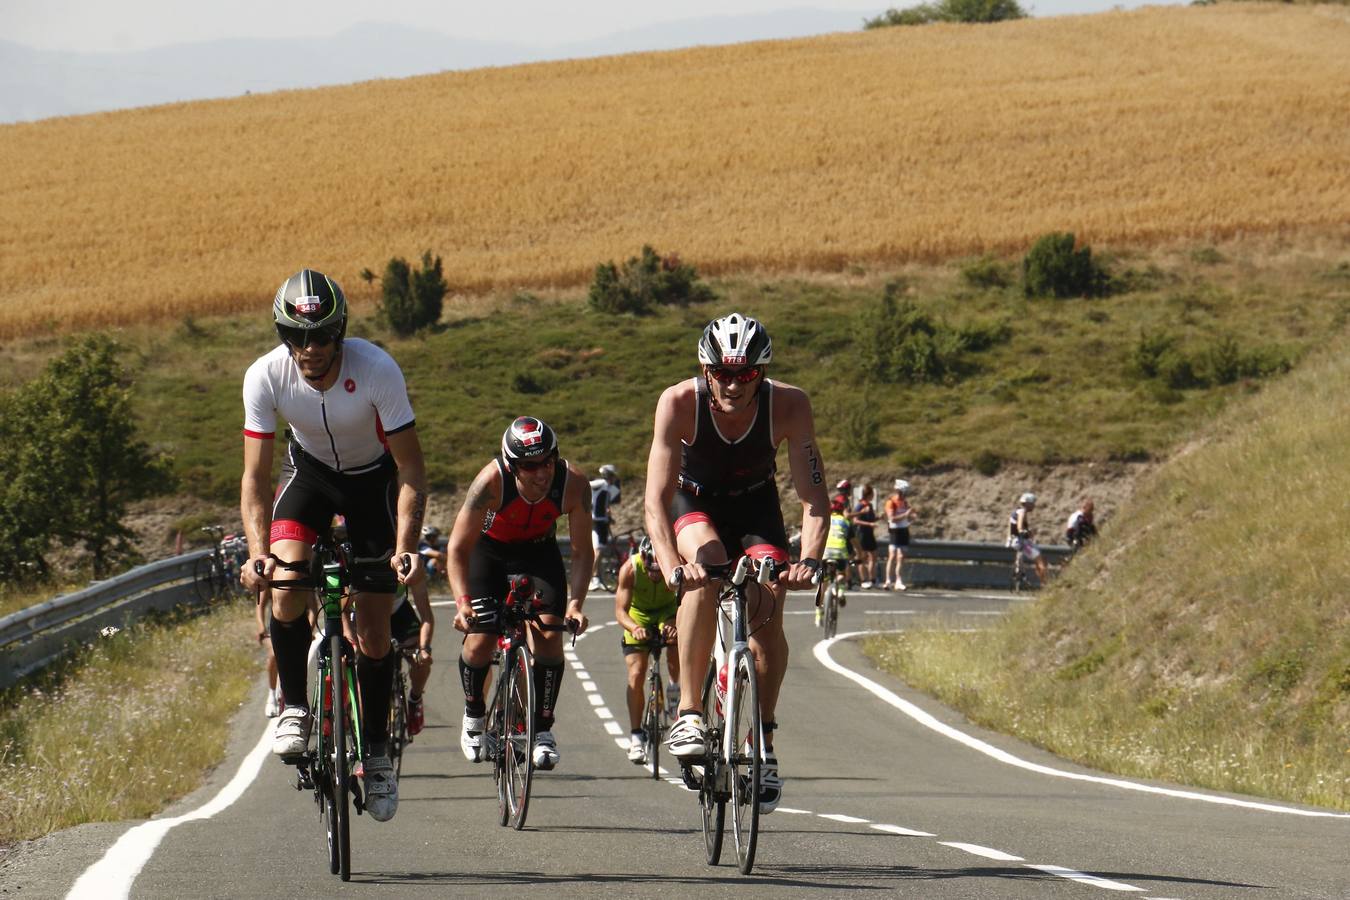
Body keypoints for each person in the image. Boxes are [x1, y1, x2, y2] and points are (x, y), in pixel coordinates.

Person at [239, 268, 428, 824]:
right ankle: (294, 707)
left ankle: (375, 753)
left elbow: (411, 466)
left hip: (374, 483)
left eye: (321, 336)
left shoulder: (376, 370)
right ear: (282, 338)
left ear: (340, 331)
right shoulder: (265, 376)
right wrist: (258, 552)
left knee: (373, 631)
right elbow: (255, 478)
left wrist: (405, 545)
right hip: (310, 477)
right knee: (287, 583)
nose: (309, 349)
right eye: (295, 337)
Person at [644, 311, 828, 814]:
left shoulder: (789, 405)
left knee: (770, 597)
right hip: (694, 504)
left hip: (754, 506)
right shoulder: (679, 402)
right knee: (707, 566)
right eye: (721, 373)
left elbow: (813, 497)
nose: (731, 384)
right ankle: (688, 712)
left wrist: (809, 560)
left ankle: (764, 740)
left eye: (744, 374)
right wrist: (670, 566)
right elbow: (656, 500)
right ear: (706, 372)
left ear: (760, 374)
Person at [448, 416, 592, 771]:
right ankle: (474, 716)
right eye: (529, 466)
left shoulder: (572, 483)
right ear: (512, 466)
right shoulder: (490, 482)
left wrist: (575, 603)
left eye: (548, 461)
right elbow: (457, 549)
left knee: (549, 638)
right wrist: (462, 603)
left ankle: (541, 729)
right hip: (489, 553)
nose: (541, 473)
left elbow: (582, 551)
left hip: (539, 554)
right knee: (480, 640)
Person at [615, 536, 680, 764]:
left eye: (658, 571)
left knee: (675, 640)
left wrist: (674, 622)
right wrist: (634, 627)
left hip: (667, 611)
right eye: (651, 570)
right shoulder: (630, 569)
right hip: (638, 616)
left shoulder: (676, 565)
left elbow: (686, 601)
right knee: (636, 674)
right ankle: (636, 737)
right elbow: (621, 611)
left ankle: (674, 688)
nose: (654, 575)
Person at [391, 580, 435, 735]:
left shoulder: (410, 563)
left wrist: (424, 649)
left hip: (398, 612)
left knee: (421, 660)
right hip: (366, 611)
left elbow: (426, 616)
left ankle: (415, 699)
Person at [818, 495, 854, 626]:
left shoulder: (825, 519)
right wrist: (860, 555)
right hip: (840, 552)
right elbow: (854, 541)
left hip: (825, 552)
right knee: (841, 574)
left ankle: (818, 612)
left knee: (823, 582)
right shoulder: (845, 522)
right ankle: (840, 591)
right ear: (842, 510)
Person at [589, 464, 622, 590]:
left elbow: (605, 506)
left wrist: (609, 517)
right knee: (597, 551)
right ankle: (592, 579)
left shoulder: (608, 487)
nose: (614, 478)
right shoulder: (601, 483)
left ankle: (597, 577)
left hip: (602, 521)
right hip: (596, 521)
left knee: (600, 551)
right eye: (613, 476)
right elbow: (586, 485)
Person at [1008, 491, 1049, 584]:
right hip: (1021, 542)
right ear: (1027, 503)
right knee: (1040, 561)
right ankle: (1045, 584)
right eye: (1033, 503)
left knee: (1042, 559)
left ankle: (1021, 573)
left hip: (1019, 541)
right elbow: (1019, 527)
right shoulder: (1022, 512)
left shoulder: (1017, 511)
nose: (1034, 505)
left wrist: (1028, 532)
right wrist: (1024, 531)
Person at [883, 479, 916, 591]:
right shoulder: (890, 502)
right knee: (892, 556)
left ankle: (898, 580)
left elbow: (907, 516)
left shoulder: (905, 502)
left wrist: (911, 517)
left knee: (901, 557)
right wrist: (906, 514)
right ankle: (888, 580)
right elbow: (892, 518)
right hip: (895, 531)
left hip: (904, 531)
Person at [255, 591, 280, 717]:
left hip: (296, 626)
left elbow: (312, 607)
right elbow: (260, 605)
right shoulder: (268, 577)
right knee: (273, 655)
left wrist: (310, 627)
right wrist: (261, 626)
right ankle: (272, 695)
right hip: (273, 628)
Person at [853, 484, 879, 588]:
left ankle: (872, 579)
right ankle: (863, 580)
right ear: (868, 494)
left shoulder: (870, 505)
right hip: (862, 533)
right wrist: (869, 524)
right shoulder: (860, 505)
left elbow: (870, 519)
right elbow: (855, 520)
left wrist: (878, 518)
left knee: (873, 556)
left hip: (869, 533)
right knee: (862, 557)